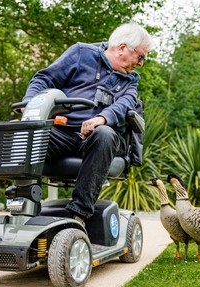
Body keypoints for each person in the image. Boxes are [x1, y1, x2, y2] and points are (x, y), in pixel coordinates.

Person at [22, 23, 155, 224]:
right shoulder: (80, 53)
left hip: (96, 139)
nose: (141, 63)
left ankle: (79, 215)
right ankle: (26, 210)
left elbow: (125, 104)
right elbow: (44, 78)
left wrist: (101, 118)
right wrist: (29, 107)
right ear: (122, 48)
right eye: (141, 56)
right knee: (30, 133)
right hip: (62, 132)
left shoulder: (131, 80)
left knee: (105, 133)